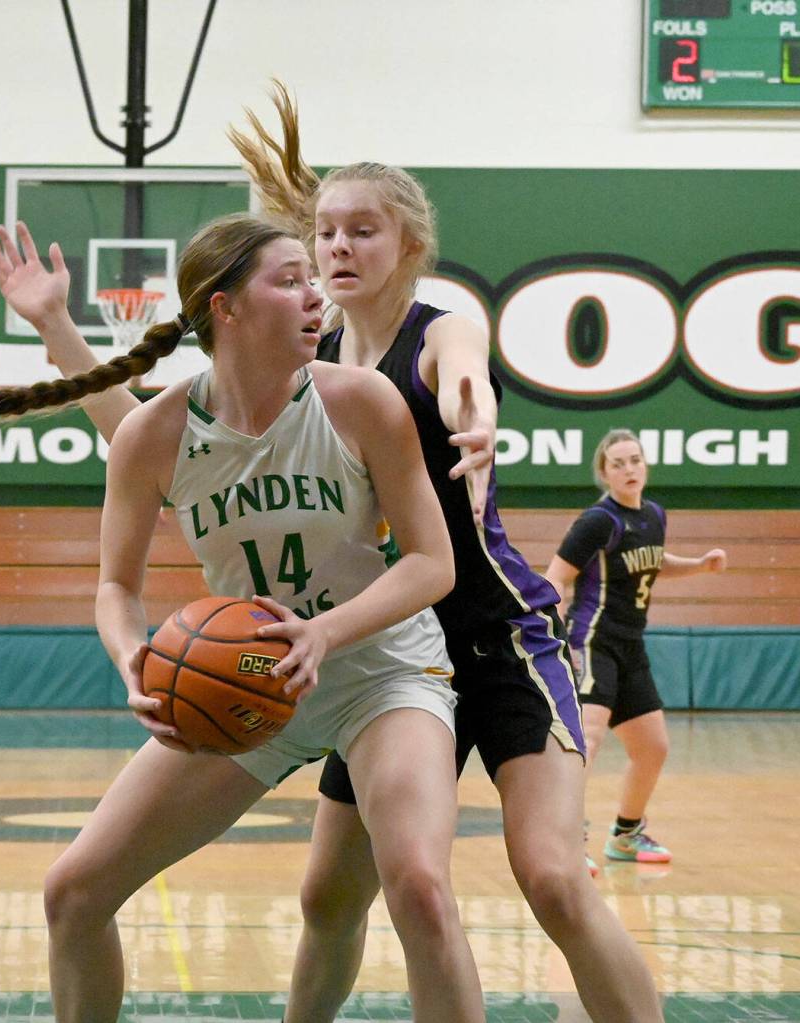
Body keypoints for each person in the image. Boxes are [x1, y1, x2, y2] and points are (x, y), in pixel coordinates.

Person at [0, 213, 486, 1023]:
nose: (315, 295)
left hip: (379, 673)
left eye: (310, 279)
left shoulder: (360, 399)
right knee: (73, 891)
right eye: (289, 279)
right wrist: (132, 655)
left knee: (417, 888)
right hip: (243, 681)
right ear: (225, 308)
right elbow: (115, 585)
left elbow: (432, 563)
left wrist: (322, 631)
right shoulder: (155, 432)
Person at [225, 83, 665, 1022]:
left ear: (409, 246)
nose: (340, 248)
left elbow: (467, 371)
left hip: (496, 633)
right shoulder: (316, 357)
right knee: (327, 897)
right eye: (328, 232)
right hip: (386, 650)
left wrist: (476, 416)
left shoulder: (441, 328)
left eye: (364, 231)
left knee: (550, 876)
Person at [545, 428, 726, 865]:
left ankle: (626, 835)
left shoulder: (653, 516)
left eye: (635, 460)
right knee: (586, 738)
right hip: (592, 641)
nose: (629, 469)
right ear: (604, 474)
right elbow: (555, 578)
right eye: (618, 463)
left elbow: (653, 560)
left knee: (652, 748)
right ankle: (566, 841)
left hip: (631, 646)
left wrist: (699, 566)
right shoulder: (598, 521)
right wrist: (555, 641)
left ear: (645, 466)